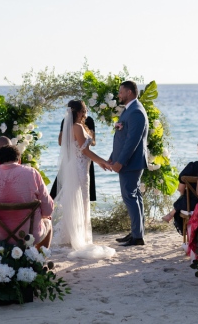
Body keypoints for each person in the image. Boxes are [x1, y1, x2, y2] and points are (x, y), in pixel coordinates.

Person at [50, 101, 115, 259]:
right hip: (79, 168)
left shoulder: (76, 125)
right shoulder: (77, 127)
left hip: (81, 167)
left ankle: (73, 234)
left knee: (78, 200)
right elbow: (85, 150)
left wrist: (99, 161)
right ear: (78, 111)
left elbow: (72, 146)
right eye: (84, 109)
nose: (86, 112)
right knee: (80, 200)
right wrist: (103, 161)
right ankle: (77, 236)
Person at [0, 145, 54, 248]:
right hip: (28, 235)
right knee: (48, 222)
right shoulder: (33, 174)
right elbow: (48, 209)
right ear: (19, 160)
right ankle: (40, 257)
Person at [109, 81, 149, 247]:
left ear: (130, 92)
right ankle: (136, 232)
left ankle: (137, 236)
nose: (119, 95)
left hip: (130, 163)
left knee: (130, 197)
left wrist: (120, 162)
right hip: (128, 162)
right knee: (134, 196)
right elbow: (122, 137)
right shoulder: (130, 110)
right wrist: (113, 157)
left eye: (121, 92)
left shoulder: (136, 112)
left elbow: (132, 141)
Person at [161, 136, 198, 232]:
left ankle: (172, 214)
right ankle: (171, 214)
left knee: (186, 196)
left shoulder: (193, 167)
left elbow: (180, 188)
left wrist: (183, 196)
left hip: (192, 204)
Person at [52, 116, 97, 202]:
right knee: (62, 188)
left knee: (84, 192)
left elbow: (94, 142)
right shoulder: (66, 120)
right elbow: (60, 142)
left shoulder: (89, 120)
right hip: (70, 157)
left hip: (85, 159)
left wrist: (87, 136)